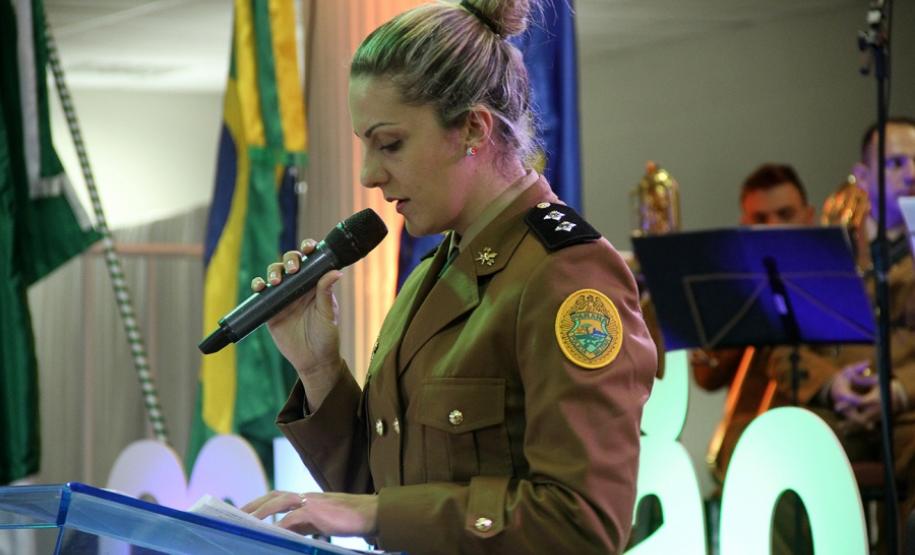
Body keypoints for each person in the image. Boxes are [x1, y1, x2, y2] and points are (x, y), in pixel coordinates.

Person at [240, 1, 658, 553]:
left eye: (389, 144)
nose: (369, 174)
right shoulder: (435, 272)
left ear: (473, 129)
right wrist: (318, 368)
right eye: (365, 145)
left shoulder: (567, 275)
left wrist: (378, 514)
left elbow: (580, 523)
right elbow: (380, 492)